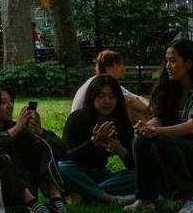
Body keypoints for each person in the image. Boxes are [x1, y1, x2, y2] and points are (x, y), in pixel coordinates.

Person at [130, 37, 193, 213]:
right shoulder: (172, 90)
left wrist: (158, 131)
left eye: (173, 61)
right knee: (143, 140)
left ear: (189, 64)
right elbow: (161, 119)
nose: (168, 66)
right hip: (177, 149)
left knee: (161, 141)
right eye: (166, 61)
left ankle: (191, 201)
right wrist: (146, 127)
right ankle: (146, 199)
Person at [0, 84, 70, 213]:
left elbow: (63, 151)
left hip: (16, 188)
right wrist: (14, 131)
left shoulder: (13, 127)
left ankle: (55, 199)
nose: (9, 106)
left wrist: (39, 132)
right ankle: (31, 203)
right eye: (3, 102)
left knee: (41, 145)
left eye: (11, 101)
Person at [58, 76, 138, 205]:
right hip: (77, 172)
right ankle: (108, 198)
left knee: (139, 175)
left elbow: (133, 166)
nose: (107, 101)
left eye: (112, 97)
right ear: (92, 97)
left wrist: (120, 150)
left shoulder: (122, 122)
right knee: (61, 167)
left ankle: (88, 194)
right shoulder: (77, 118)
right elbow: (65, 156)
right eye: (101, 96)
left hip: (101, 176)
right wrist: (92, 143)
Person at [69, 49, 150, 120]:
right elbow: (130, 101)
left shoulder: (109, 82)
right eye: (119, 65)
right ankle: (150, 131)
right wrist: (152, 111)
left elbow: (138, 98)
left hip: (96, 118)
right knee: (129, 111)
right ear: (108, 67)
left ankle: (150, 130)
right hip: (85, 122)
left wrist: (151, 108)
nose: (123, 69)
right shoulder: (100, 83)